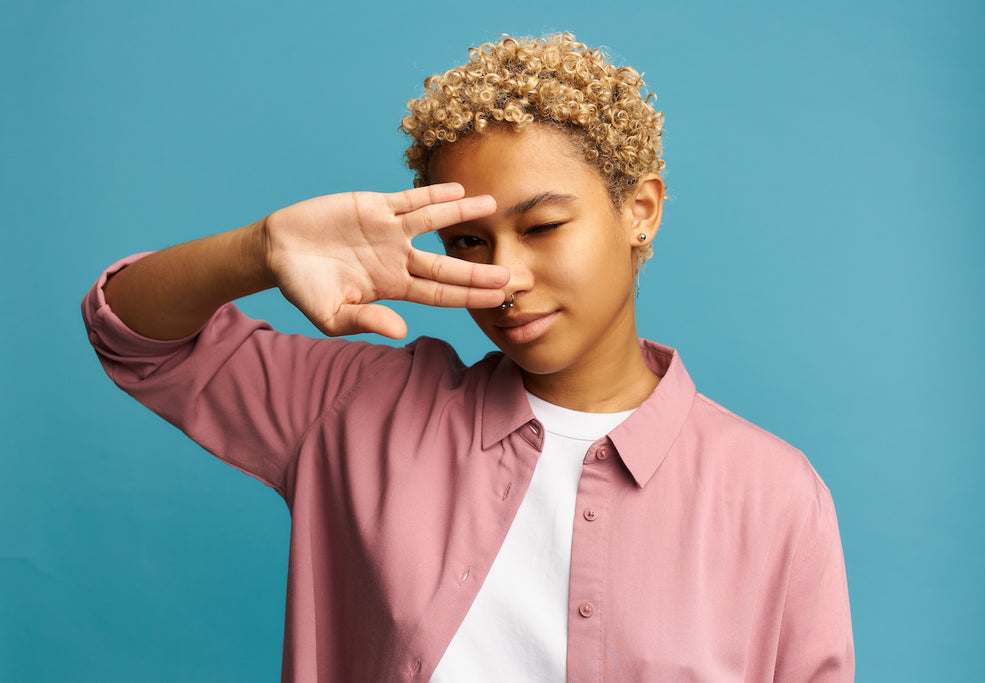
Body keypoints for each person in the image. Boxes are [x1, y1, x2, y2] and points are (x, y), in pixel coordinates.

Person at [83, 33, 854, 682]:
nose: (505, 277)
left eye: (544, 226)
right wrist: (263, 248)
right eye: (468, 243)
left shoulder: (775, 498)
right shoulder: (361, 411)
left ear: (639, 212)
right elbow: (134, 336)